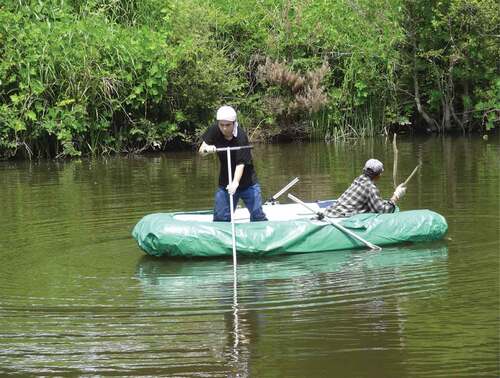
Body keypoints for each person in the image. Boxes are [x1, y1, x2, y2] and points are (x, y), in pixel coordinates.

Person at [199, 105, 267, 222]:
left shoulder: (241, 136)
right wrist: (207, 149)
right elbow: (201, 151)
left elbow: (241, 163)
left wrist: (235, 183)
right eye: (222, 125)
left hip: (248, 182)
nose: (224, 128)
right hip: (225, 181)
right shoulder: (214, 130)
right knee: (220, 218)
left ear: (234, 123)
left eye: (228, 125)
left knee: (257, 216)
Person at [324, 158, 406, 218]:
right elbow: (383, 211)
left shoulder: (358, 179)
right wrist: (396, 196)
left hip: (330, 211)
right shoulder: (371, 188)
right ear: (378, 175)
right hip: (340, 216)